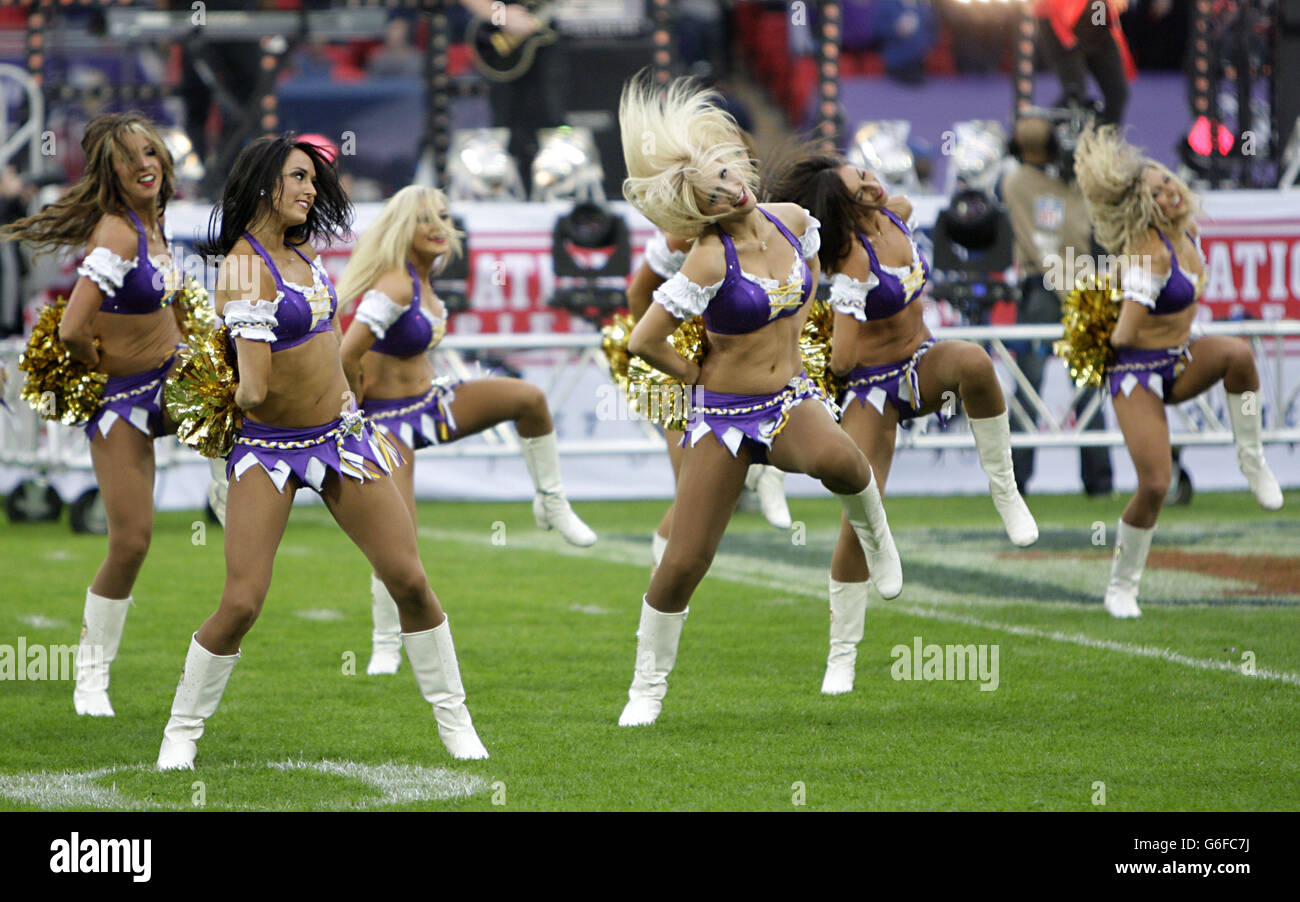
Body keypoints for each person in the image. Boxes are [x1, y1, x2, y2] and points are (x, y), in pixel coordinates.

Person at [157, 136, 488, 769]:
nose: (311, 190)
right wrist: (223, 394)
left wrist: (349, 400)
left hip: (340, 441)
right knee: (243, 600)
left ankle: (456, 723)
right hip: (268, 451)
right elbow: (252, 389)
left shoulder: (303, 249)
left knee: (411, 580)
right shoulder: (245, 268)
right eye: (299, 178)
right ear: (264, 184)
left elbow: (331, 344)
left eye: (314, 179)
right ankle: (182, 730)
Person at [615, 76, 902, 726]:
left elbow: (810, 287)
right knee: (685, 563)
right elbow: (642, 339)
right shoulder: (708, 262)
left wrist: (794, 352)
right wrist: (692, 375)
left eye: (727, 170)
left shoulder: (796, 222)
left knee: (848, 465)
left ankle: (879, 542)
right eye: (713, 188)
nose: (731, 185)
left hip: (787, 399)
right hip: (722, 419)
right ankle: (647, 687)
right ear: (701, 208)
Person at [766, 147, 1039, 694]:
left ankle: (1005, 490)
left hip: (921, 365)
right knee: (862, 507)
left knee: (976, 363)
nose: (872, 184)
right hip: (870, 387)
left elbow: (903, 202)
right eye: (858, 185)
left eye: (867, 174)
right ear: (844, 208)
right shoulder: (855, 261)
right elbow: (842, 359)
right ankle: (841, 655)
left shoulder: (899, 213)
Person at [337, 184, 596, 675]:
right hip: (386, 422)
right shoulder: (394, 284)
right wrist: (355, 413)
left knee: (529, 400)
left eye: (442, 215)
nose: (437, 226)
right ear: (401, 230)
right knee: (399, 538)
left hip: (430, 405)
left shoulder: (424, 278)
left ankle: (551, 501)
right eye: (423, 219)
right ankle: (385, 643)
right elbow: (347, 352)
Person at [1, 113, 188, 718]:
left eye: (151, 152)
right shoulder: (117, 233)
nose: (145, 164)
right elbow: (76, 327)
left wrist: (194, 351)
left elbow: (177, 304)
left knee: (252, 411)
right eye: (130, 157)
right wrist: (96, 369)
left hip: (171, 385)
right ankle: (90, 674)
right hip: (123, 399)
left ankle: (232, 487)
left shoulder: (156, 227)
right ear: (109, 171)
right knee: (131, 542)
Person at [1073, 125, 1284, 619]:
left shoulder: (1188, 233)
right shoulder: (1149, 251)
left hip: (1179, 359)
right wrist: (1110, 319)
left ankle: (1251, 459)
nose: (1169, 192)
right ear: (1142, 206)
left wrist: (1179, 336)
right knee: (1154, 484)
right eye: (1156, 192)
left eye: (1168, 182)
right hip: (1137, 372)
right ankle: (1122, 586)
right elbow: (1125, 334)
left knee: (1238, 355)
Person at [625, 228, 794, 572]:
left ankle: (766, 471)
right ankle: (665, 578)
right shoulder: (684, 237)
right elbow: (637, 296)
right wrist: (680, 357)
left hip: (746, 363)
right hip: (685, 367)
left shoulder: (771, 222)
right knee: (693, 493)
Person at [1001, 113, 1113, 495]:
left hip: (1076, 287)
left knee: (1086, 387)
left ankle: (1098, 480)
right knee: (1028, 387)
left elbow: (1094, 231)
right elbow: (1046, 241)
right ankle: (1017, 481)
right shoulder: (1017, 181)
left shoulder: (1077, 183)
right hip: (1047, 290)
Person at [458, 0, 564, 196]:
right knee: (507, 127)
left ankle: (558, 190)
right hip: (501, 42)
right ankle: (504, 193)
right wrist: (501, 15)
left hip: (545, 39)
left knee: (553, 123)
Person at [1035, 0, 1136, 127]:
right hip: (1061, 20)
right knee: (1074, 94)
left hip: (1097, 20)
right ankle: (1040, 136)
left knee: (1117, 94)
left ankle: (1104, 140)